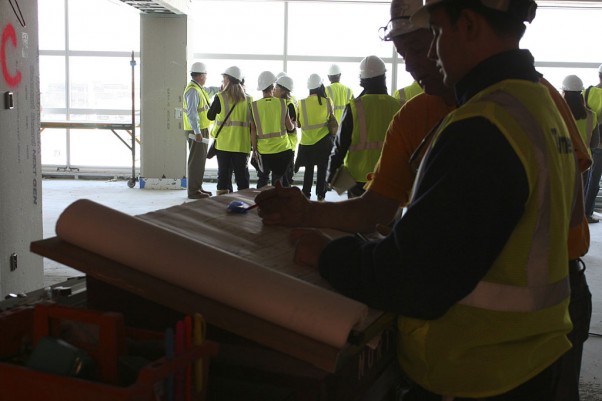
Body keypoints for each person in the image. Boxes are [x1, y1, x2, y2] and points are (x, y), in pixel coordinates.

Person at [261, 0, 584, 399]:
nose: (425, 58)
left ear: (466, 25)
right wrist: (310, 211)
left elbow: (416, 278)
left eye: (433, 38)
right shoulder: (534, 103)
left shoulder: (483, 124)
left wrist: (330, 255)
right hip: (529, 354)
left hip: (479, 370)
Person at [327, 55, 400, 198]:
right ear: (384, 76)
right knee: (387, 219)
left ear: (362, 79)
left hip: (358, 180)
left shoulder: (354, 107)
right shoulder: (398, 106)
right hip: (389, 177)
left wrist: (331, 174)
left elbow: (340, 145)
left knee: (358, 219)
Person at [207, 65, 252, 194]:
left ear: (228, 80)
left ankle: (222, 204)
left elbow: (210, 116)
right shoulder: (249, 99)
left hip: (223, 144)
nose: (223, 81)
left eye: (224, 78)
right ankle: (244, 202)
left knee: (223, 176)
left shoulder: (220, 97)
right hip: (242, 145)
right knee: (242, 177)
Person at [562, 75, 600, 224]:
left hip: (562, 161)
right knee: (578, 200)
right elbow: (595, 143)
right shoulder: (592, 116)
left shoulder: (559, 114)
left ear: (564, 93)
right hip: (584, 162)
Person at [250, 71, 295, 188]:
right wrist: (294, 125)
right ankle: (278, 204)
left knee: (263, 179)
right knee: (278, 181)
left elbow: (253, 131)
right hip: (281, 148)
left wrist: (254, 149)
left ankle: (260, 203)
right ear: (273, 87)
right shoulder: (282, 104)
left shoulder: (254, 106)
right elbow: (290, 127)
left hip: (263, 150)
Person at [295, 74, 336, 201]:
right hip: (323, 141)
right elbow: (331, 120)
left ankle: (306, 193)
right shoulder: (328, 101)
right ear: (320, 86)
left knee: (309, 168)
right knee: (322, 168)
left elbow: (299, 124)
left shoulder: (301, 103)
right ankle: (320, 194)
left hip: (307, 142)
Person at [182, 62, 218, 199]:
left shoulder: (199, 89)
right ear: (201, 76)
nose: (206, 78)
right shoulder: (192, 91)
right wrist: (197, 132)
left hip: (200, 129)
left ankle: (198, 187)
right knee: (196, 161)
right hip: (196, 131)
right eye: (206, 75)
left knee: (200, 160)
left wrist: (221, 88)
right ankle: (193, 191)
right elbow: (192, 113)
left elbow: (210, 91)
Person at [584, 65, 602, 224]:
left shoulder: (588, 91)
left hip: (593, 142)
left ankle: (586, 212)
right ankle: (586, 213)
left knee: (591, 180)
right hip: (598, 145)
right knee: (593, 180)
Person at [273, 74, 299, 187]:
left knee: (286, 178)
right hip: (280, 145)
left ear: (283, 91)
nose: (273, 90)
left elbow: (290, 128)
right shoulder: (278, 103)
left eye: (276, 88)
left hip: (288, 146)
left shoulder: (289, 105)